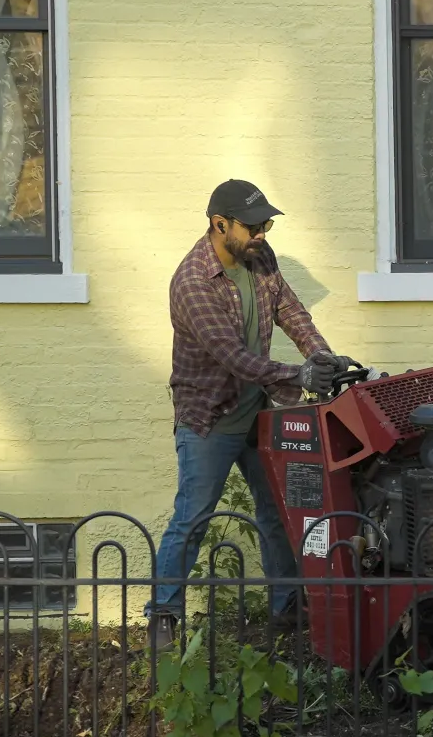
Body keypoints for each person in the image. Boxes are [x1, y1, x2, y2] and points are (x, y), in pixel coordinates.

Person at [147, 179, 355, 649]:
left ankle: (287, 610)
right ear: (219, 224)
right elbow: (234, 356)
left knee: (278, 509)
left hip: (257, 408)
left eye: (266, 223)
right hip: (211, 417)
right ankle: (164, 614)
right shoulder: (193, 282)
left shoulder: (259, 257)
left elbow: (290, 310)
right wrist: (299, 376)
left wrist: (321, 355)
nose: (263, 232)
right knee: (193, 517)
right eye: (254, 225)